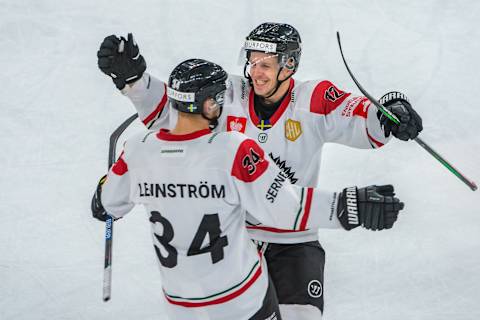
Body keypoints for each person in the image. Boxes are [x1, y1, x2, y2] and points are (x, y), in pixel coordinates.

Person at [96, 24, 422, 319]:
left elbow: (363, 118)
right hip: (239, 237)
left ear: (289, 65)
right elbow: (176, 110)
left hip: (294, 239)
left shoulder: (314, 97)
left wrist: (391, 111)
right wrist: (136, 83)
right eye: (252, 62)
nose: (256, 73)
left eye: (265, 64)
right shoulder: (229, 92)